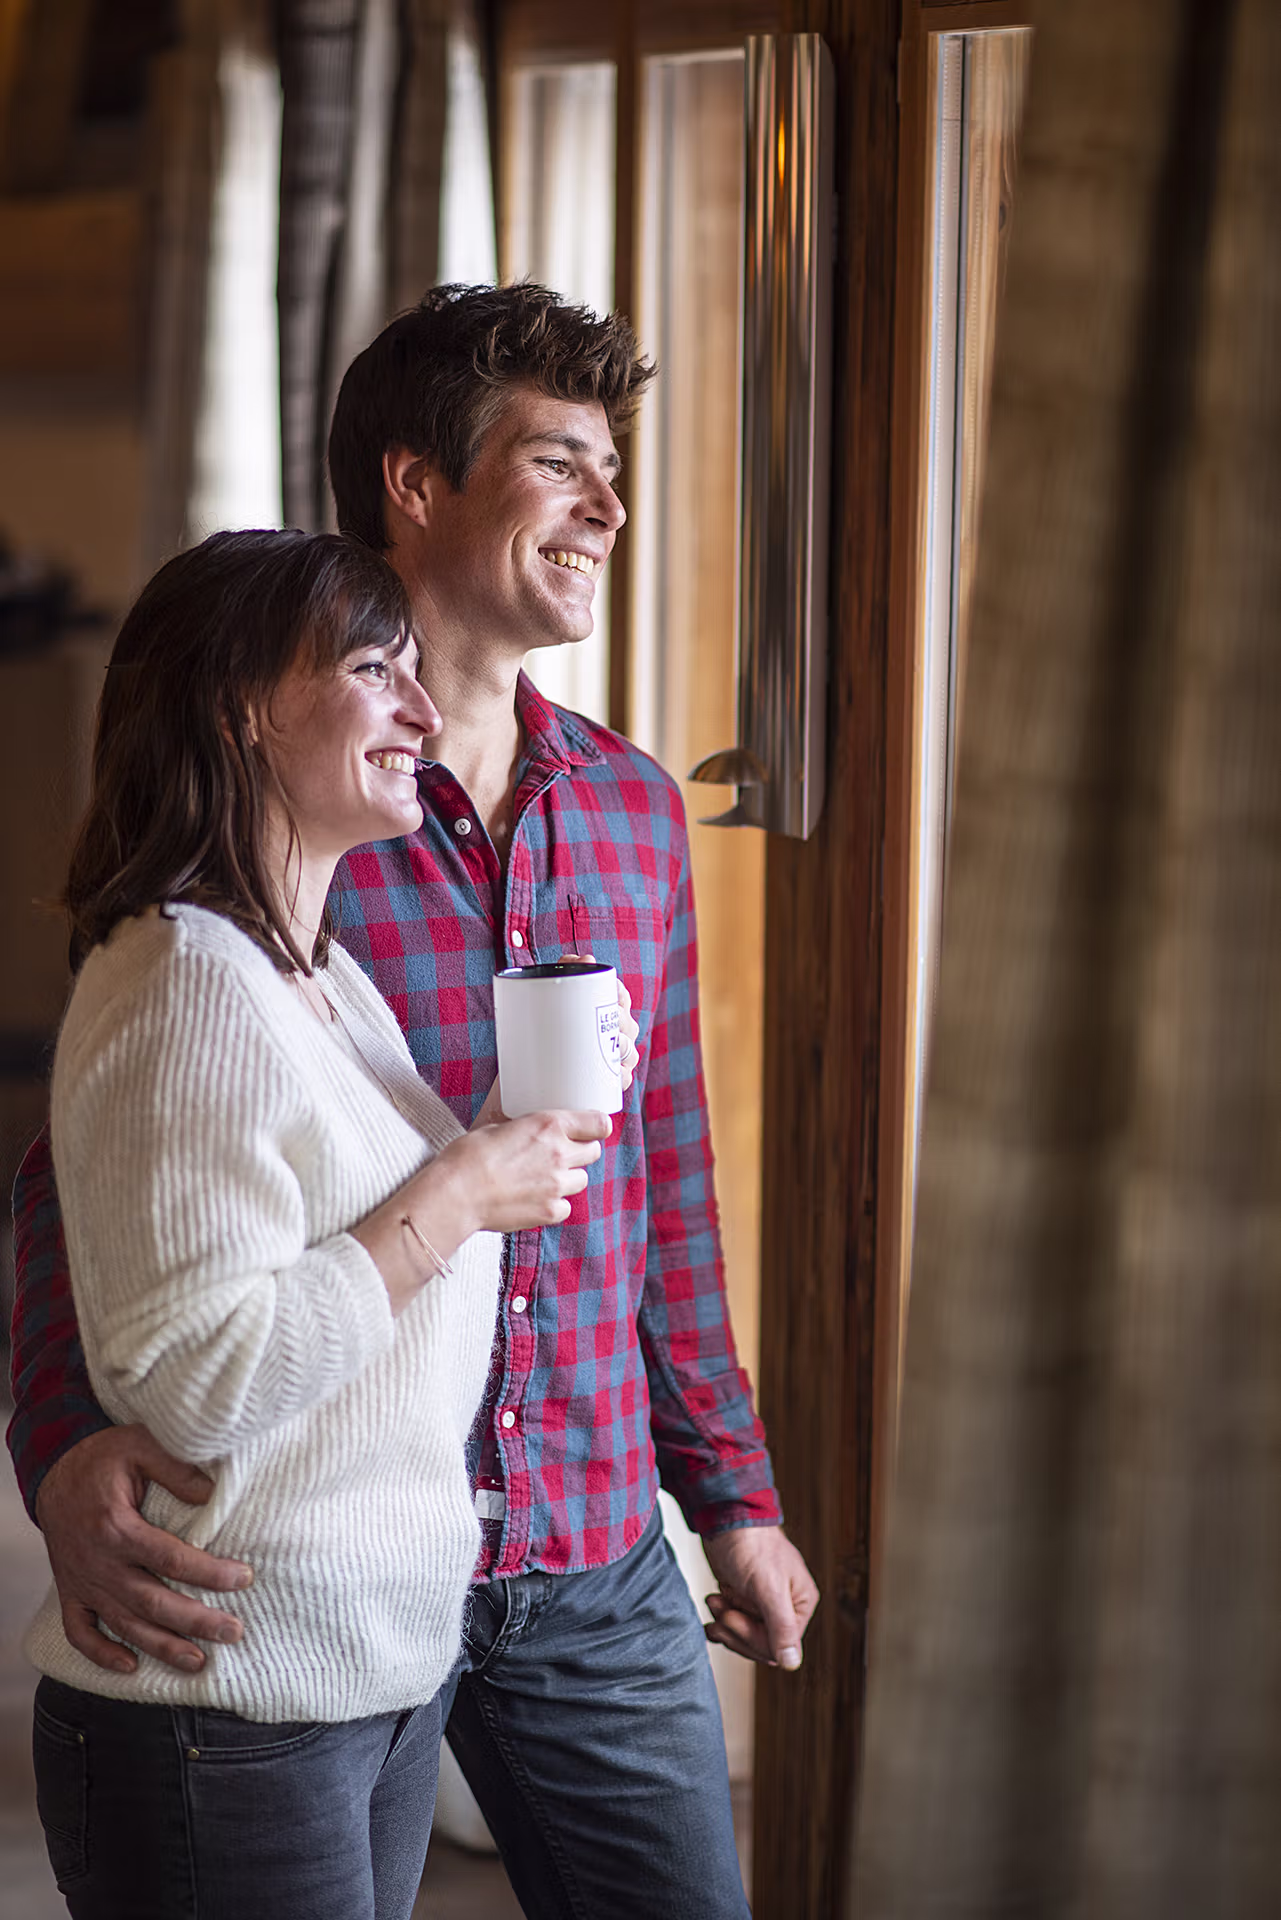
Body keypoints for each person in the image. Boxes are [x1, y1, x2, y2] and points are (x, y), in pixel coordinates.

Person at [9, 284, 820, 1919]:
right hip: (315, 1558)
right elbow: (88, 1171)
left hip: (588, 1545)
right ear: (414, 483)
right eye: (560, 461)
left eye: (616, 467)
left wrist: (728, 1491)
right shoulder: (286, 819)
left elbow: (661, 1167)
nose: (607, 504)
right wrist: (60, 1443)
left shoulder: (635, 814)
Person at [23, 527, 617, 1920]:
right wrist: (460, 1192)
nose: (422, 710)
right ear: (240, 703)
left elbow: (341, 1255)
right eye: (374, 668)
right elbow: (200, 1375)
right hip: (227, 1707)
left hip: (364, 1680)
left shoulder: (321, 977)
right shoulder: (185, 985)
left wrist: (502, 1144)